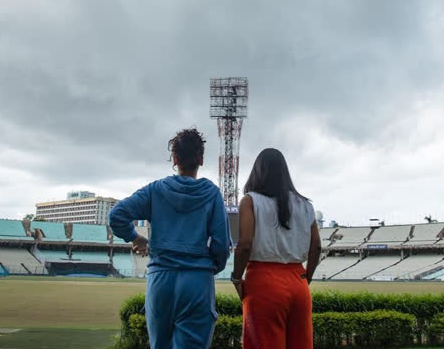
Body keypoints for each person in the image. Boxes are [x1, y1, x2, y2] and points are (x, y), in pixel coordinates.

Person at [108, 127, 231, 349]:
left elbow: (116, 215)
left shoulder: (155, 190)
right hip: (197, 282)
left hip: (160, 281)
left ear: (174, 159)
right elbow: (221, 245)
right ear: (201, 159)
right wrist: (210, 267)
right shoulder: (211, 193)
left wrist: (136, 238)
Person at [231, 148, 322, 349]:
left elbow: (245, 244)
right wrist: (307, 276)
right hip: (298, 282)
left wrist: (237, 277)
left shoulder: (250, 200)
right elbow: (316, 245)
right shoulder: (305, 205)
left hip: (263, 282)